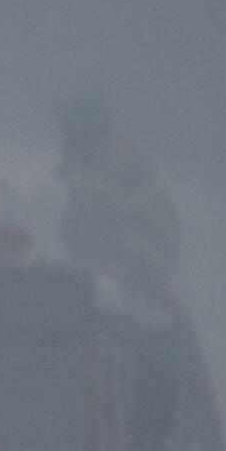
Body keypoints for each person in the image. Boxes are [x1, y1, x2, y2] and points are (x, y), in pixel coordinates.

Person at [57, 90, 179, 298]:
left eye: (74, 128)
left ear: (91, 127)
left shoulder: (117, 159)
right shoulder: (89, 158)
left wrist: (80, 179)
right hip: (120, 257)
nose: (68, 136)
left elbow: (104, 207)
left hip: (139, 256)